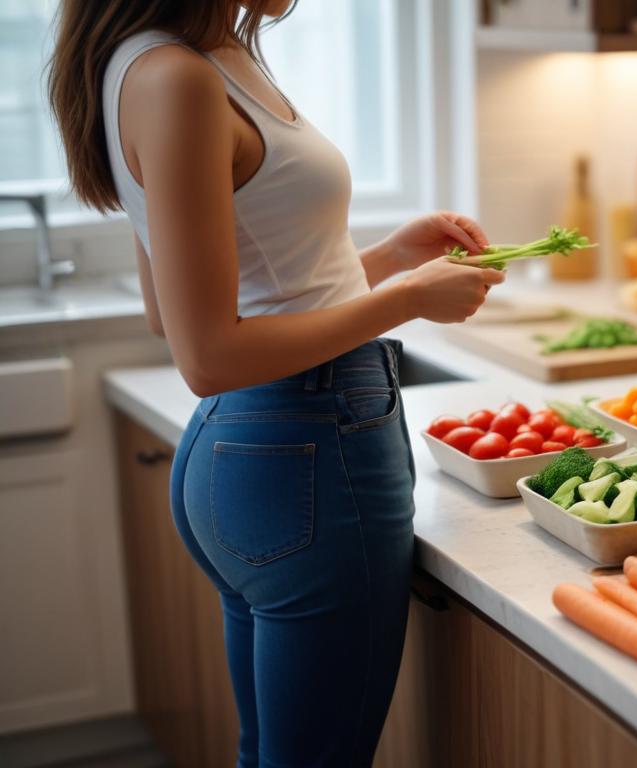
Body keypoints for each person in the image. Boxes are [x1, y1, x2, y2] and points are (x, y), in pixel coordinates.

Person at [48, 1, 502, 764]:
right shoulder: (180, 78)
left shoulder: (159, 59)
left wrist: (390, 257)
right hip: (309, 455)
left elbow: (203, 307)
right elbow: (208, 354)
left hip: (256, 456)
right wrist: (406, 300)